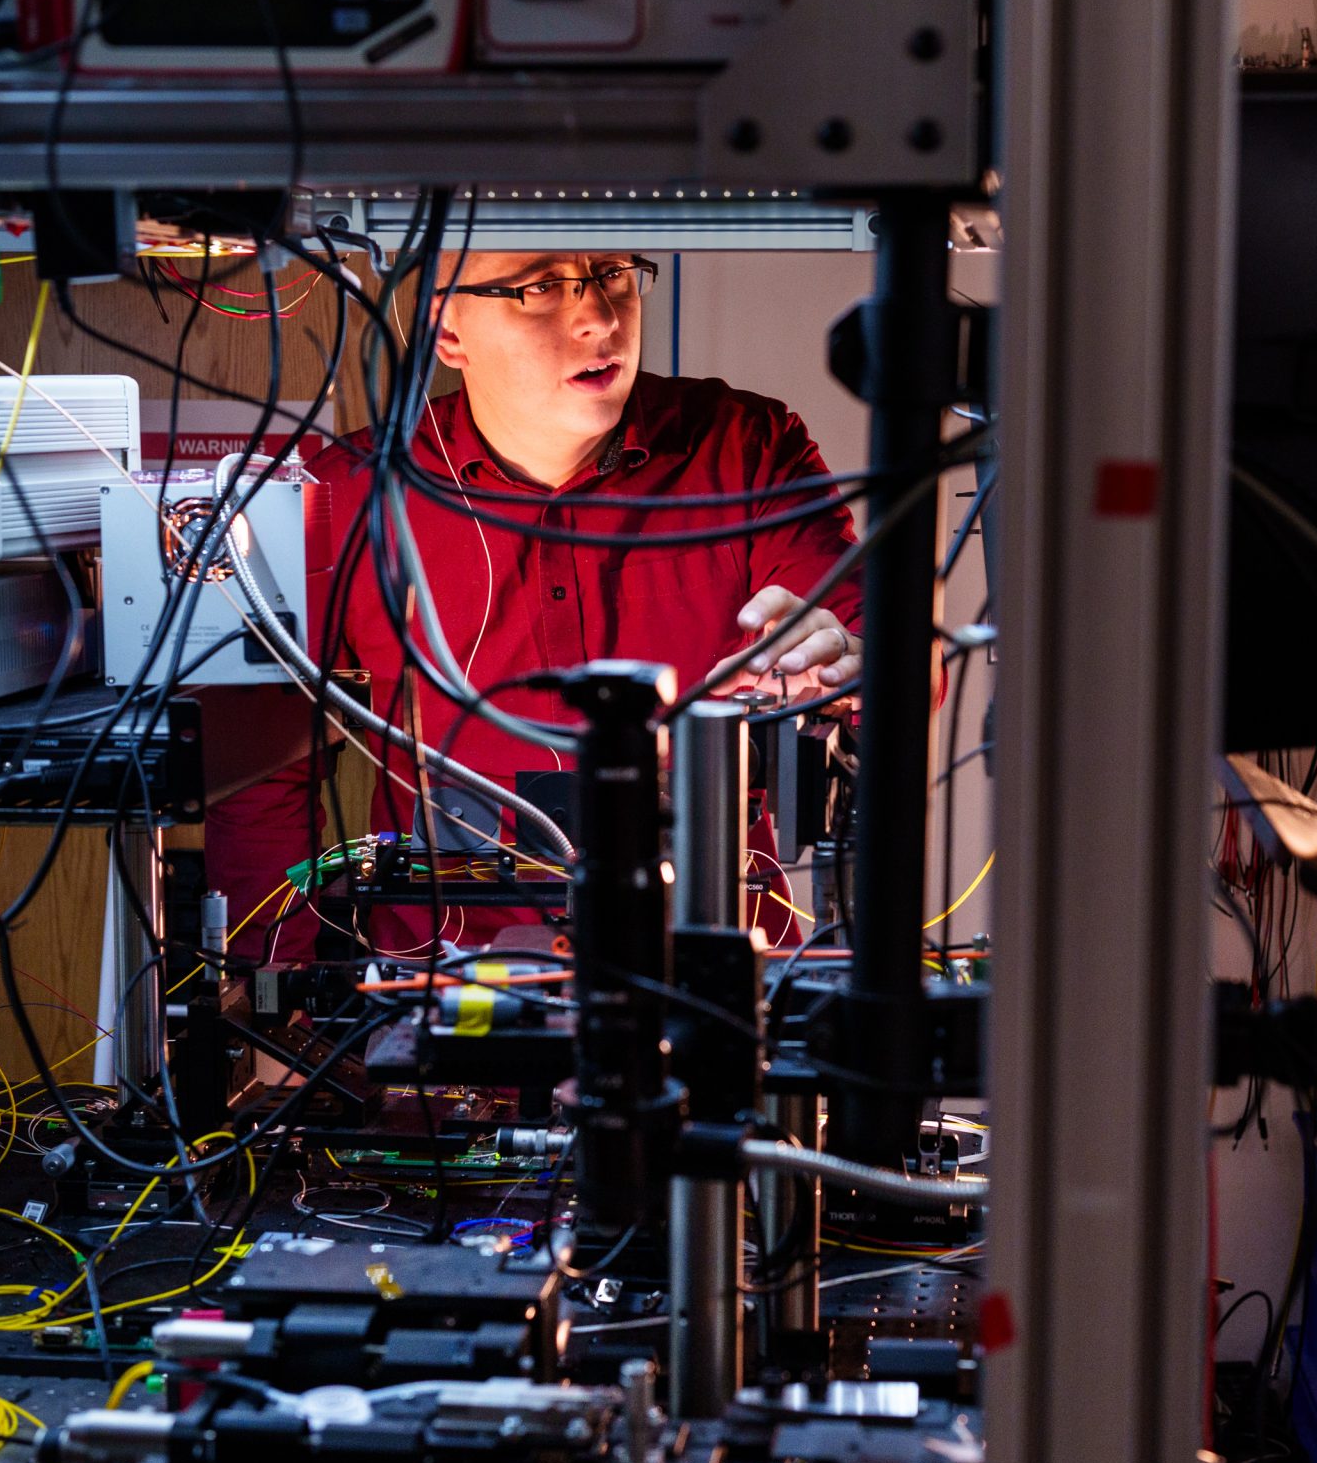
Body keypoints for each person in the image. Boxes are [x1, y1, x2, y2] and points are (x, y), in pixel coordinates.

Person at [206, 250, 862, 960]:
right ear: (448, 332)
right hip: (444, 1000)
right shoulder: (342, 499)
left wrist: (848, 665)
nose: (600, 318)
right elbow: (262, 777)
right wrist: (278, 1009)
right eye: (542, 287)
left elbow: (883, 655)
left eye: (612, 273)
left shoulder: (746, 448)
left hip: (715, 975)